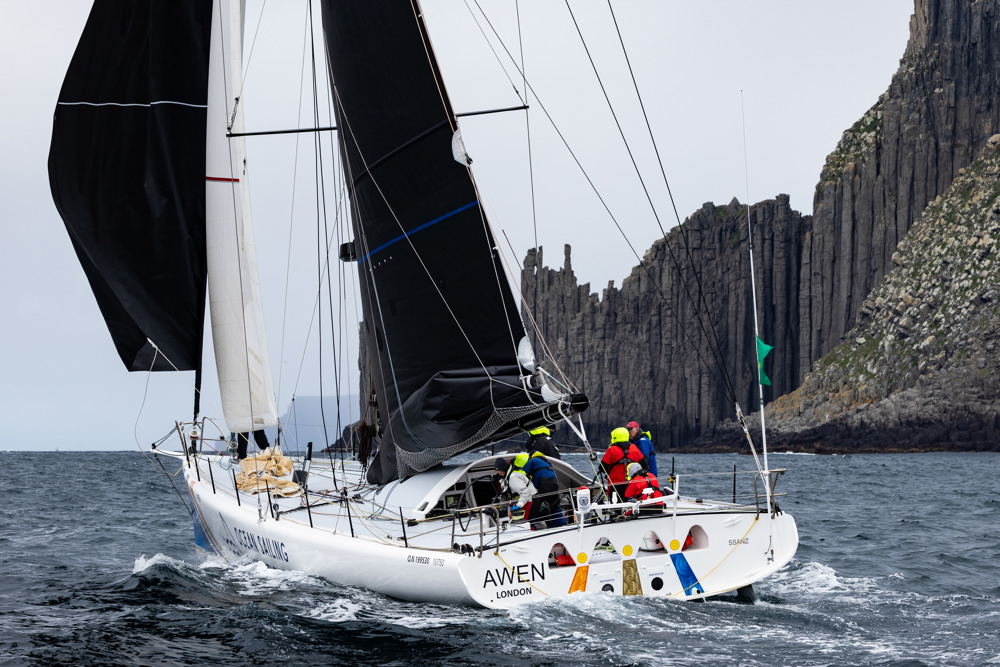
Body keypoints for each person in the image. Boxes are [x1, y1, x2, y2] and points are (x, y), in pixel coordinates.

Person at [512, 452, 567, 529]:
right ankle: (561, 524)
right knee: (555, 505)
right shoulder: (548, 463)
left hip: (542, 484)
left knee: (534, 506)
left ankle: (531, 526)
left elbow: (524, 472)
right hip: (554, 484)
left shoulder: (533, 460)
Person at [600, 427, 647, 503]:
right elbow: (645, 466)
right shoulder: (634, 448)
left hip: (615, 486)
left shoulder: (611, 450)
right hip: (632, 485)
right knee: (631, 506)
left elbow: (602, 468)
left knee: (615, 507)